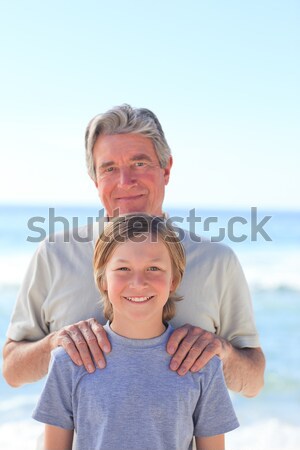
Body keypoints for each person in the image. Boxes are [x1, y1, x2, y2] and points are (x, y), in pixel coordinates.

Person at [3, 104, 265, 397]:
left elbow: (253, 381)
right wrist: (55, 345)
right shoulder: (54, 254)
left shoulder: (217, 261)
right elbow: (12, 370)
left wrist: (224, 354)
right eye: (109, 168)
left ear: (166, 170)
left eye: (139, 164)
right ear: (95, 180)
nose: (125, 182)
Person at [32, 214, 239, 450]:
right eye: (123, 268)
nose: (139, 282)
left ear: (174, 280)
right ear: (103, 280)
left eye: (154, 268)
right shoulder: (68, 362)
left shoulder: (203, 365)